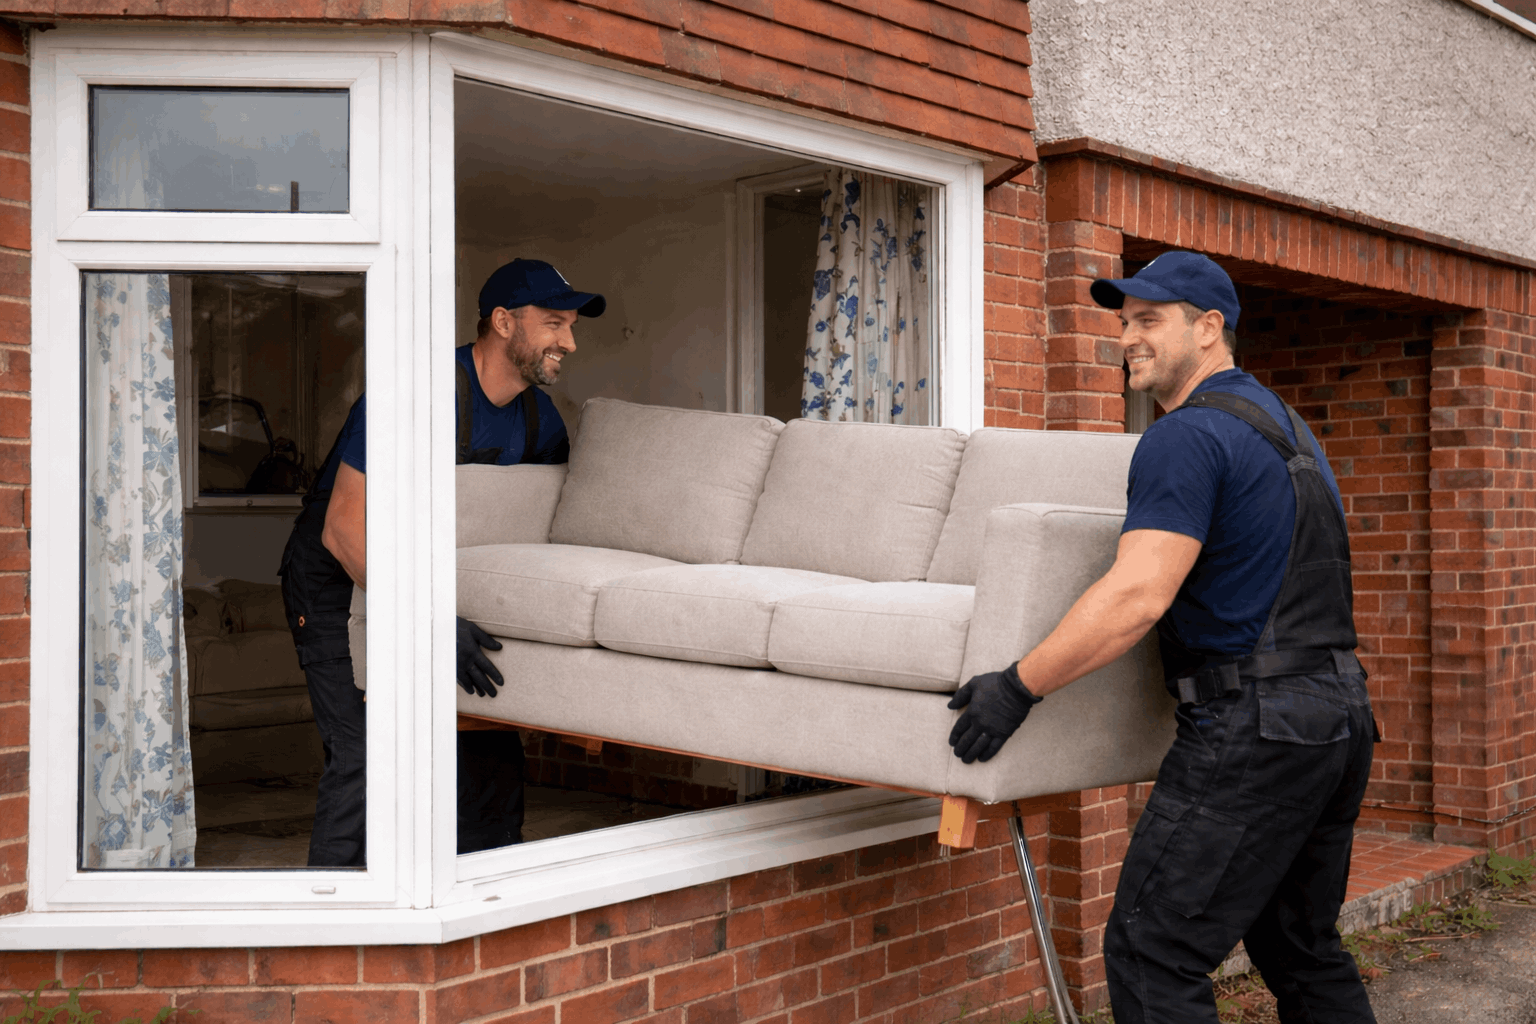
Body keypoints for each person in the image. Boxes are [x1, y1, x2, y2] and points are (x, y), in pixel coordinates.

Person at [946, 251, 1378, 1023]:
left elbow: (1137, 594)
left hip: (1257, 727)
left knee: (1153, 950)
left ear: (1210, 329)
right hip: (1338, 716)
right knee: (1300, 947)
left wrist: (1017, 686)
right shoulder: (1287, 432)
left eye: (1149, 320)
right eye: (1123, 323)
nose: (1128, 338)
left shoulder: (1186, 437)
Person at [279, 258, 605, 865]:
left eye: (572, 326)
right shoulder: (416, 394)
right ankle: (334, 927)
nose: (570, 342)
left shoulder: (540, 421)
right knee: (368, 756)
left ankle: (482, 906)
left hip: (435, 592)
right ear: (504, 322)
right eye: (556, 323)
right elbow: (344, 527)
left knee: (488, 760)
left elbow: (546, 534)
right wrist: (427, 623)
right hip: (337, 582)